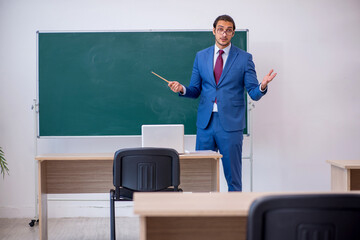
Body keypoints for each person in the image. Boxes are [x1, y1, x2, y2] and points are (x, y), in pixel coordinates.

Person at [168, 15, 277, 191]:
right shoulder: (201, 57)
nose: (224, 34)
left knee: (233, 178)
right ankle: (202, 215)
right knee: (201, 177)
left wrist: (262, 85)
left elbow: (254, 94)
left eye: (228, 30)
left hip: (231, 125)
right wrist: (182, 89)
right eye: (220, 29)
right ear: (214, 31)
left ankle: (233, 216)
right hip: (205, 124)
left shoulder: (244, 58)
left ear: (233, 33)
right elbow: (195, 90)